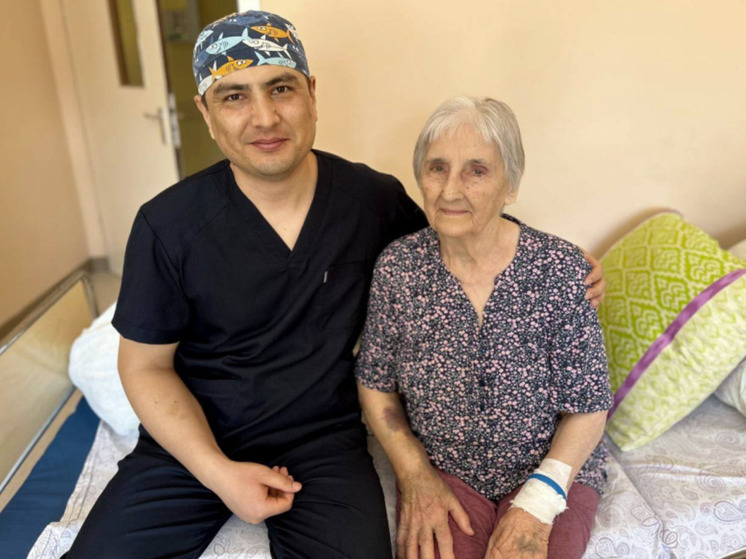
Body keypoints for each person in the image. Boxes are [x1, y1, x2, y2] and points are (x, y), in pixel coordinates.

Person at [62, 11, 605, 559]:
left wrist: (556, 261)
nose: (265, 117)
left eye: (281, 88)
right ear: (205, 112)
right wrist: (218, 473)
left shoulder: (371, 201)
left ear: (311, 95)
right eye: (234, 97)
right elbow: (144, 366)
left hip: (322, 444)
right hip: (195, 443)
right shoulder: (167, 225)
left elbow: (459, 231)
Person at [355, 97, 613, 559]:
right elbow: (376, 385)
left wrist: (538, 503)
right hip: (445, 470)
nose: (450, 190)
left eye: (477, 171)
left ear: (510, 184)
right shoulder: (398, 269)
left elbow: (590, 406)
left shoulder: (559, 269)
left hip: (554, 467)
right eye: (437, 168)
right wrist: (414, 473)